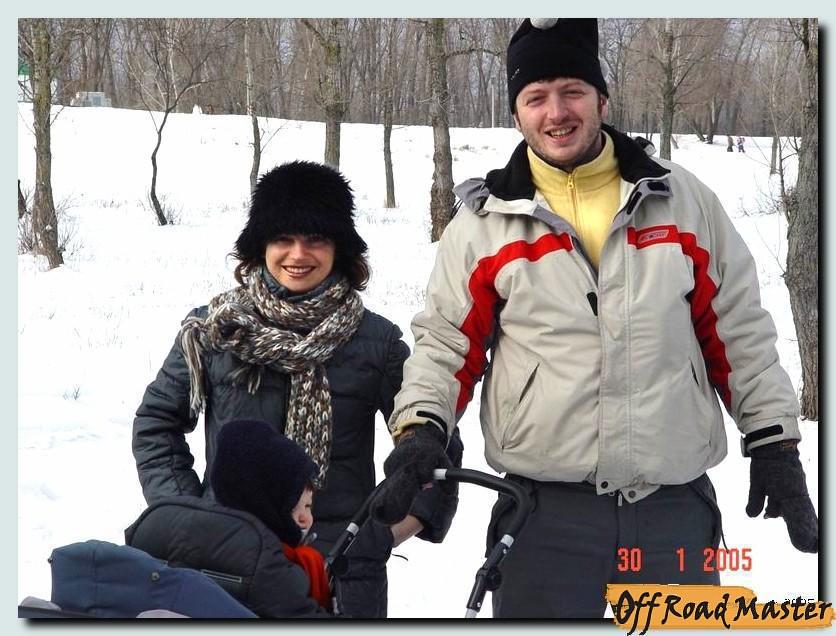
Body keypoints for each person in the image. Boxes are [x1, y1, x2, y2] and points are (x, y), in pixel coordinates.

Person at [371, 18, 817, 618]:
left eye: (572, 91)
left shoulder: (683, 201)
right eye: (536, 97)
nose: (556, 112)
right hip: (541, 516)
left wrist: (774, 442)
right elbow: (446, 346)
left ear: (602, 100)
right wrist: (421, 430)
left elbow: (739, 334)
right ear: (516, 113)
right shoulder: (484, 224)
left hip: (671, 509)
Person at [132, 160, 463, 618]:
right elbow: (156, 424)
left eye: (315, 239)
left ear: (340, 248)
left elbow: (433, 442)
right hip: (225, 565)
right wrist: (191, 516)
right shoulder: (217, 330)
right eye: (282, 239)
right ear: (260, 246)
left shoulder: (377, 341)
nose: (298, 254)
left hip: (341, 571)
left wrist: (390, 531)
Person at [126, 419, 331, 617]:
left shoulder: (157, 530)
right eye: (304, 506)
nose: (308, 519)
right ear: (266, 504)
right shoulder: (269, 566)